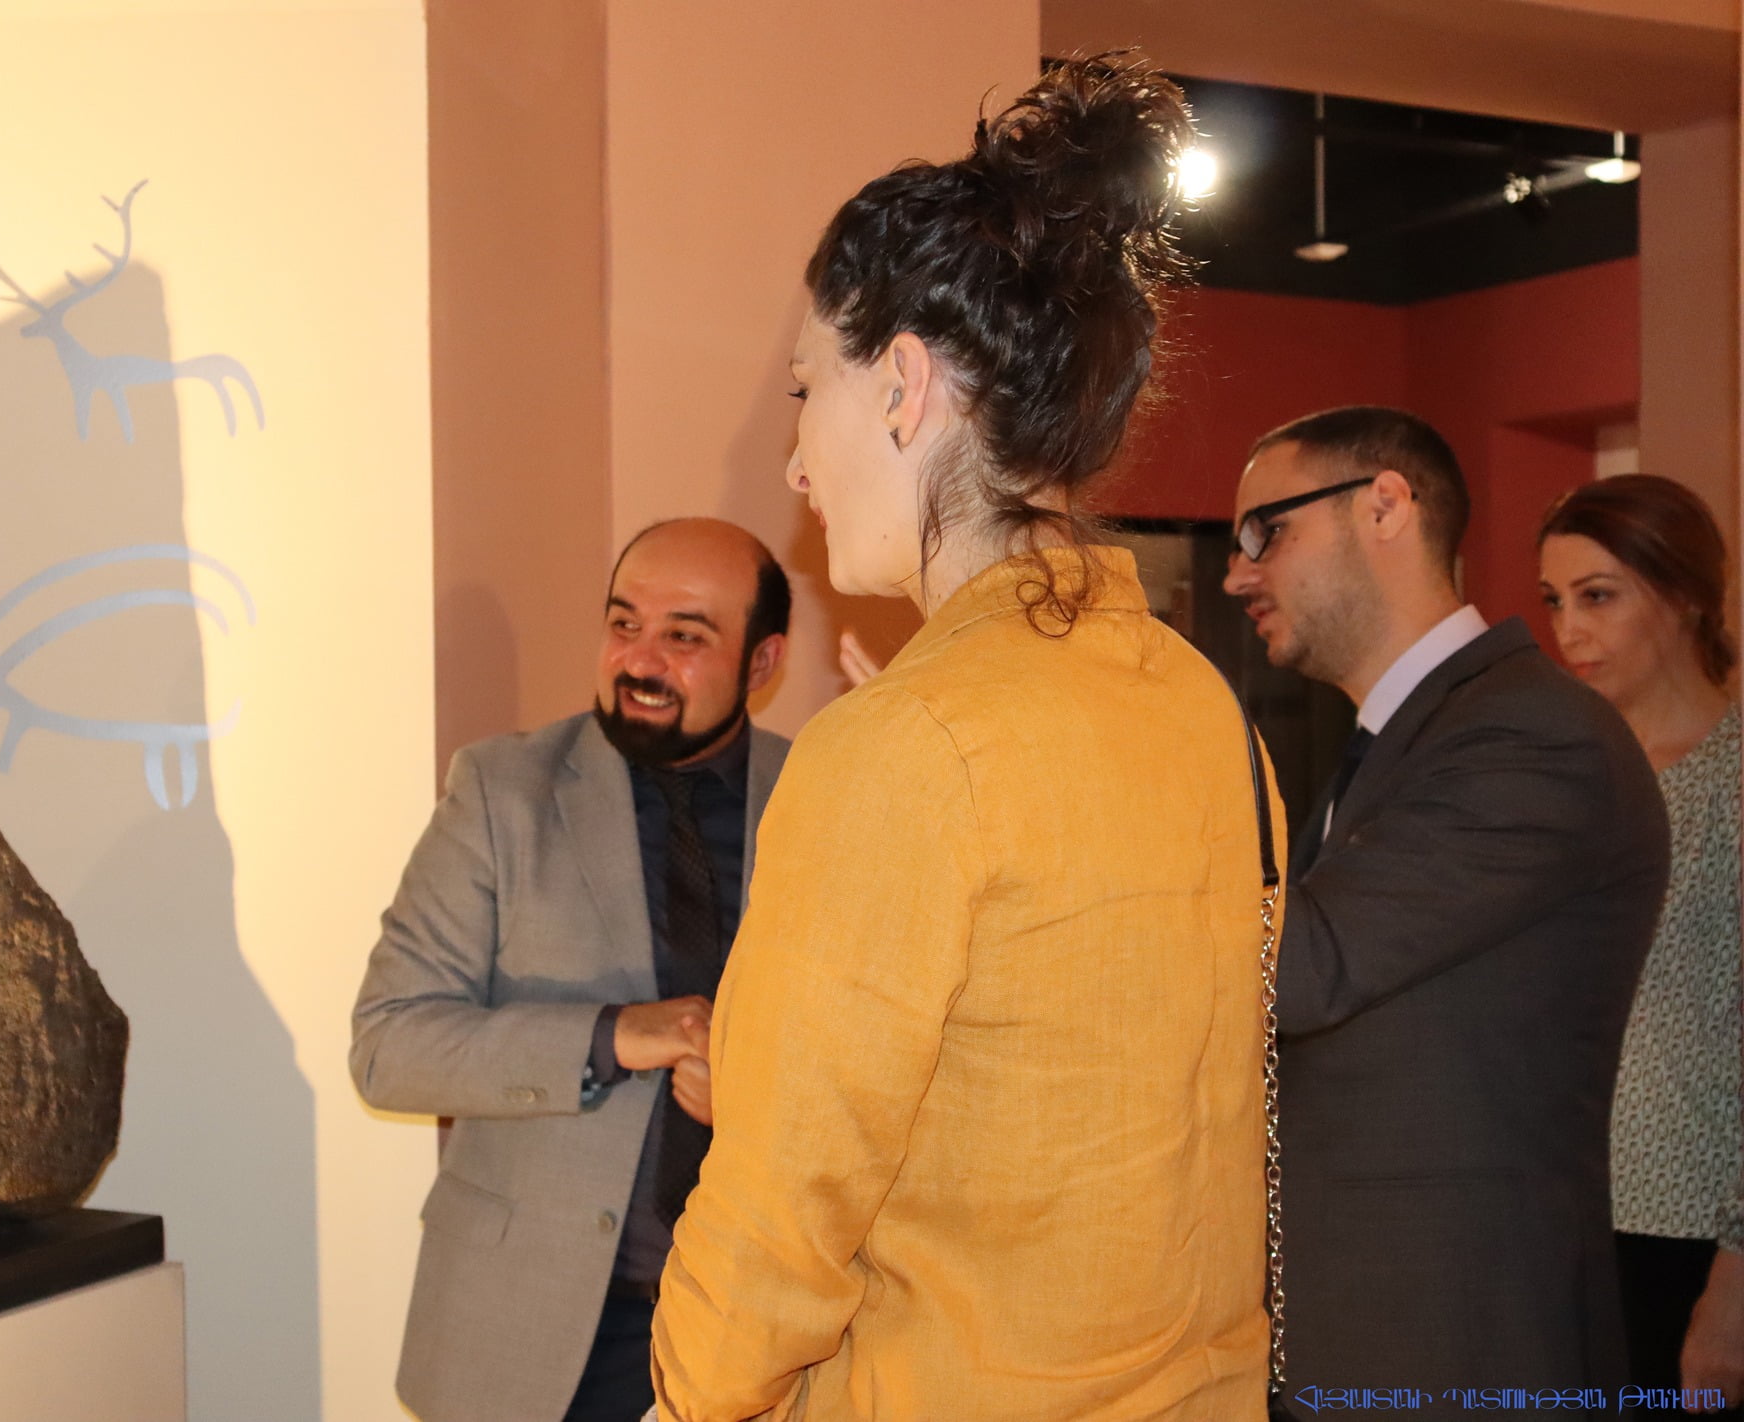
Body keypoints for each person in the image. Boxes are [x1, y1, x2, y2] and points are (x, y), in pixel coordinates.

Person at [649, 56, 1275, 1421]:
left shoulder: (905, 747)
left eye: (806, 391)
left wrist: (685, 1397)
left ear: (903, 386)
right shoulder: (1196, 703)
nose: (795, 462)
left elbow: (778, 1215)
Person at [1221, 406, 1668, 1413]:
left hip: (1460, 1350)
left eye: (1265, 533)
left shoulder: (1532, 735)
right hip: (1374, 1339)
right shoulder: (1404, 740)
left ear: (1384, 506)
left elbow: (1299, 968)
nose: (1237, 575)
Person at [350, 517, 791, 1422]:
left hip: (761, 1333)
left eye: (684, 636)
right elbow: (389, 1045)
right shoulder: (501, 792)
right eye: (623, 623)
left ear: (763, 661)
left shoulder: (822, 799)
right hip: (538, 1337)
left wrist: (759, 1095)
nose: (640, 660)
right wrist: (611, 1036)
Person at [1539, 475, 1743, 1412]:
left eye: (1598, 596)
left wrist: (1735, 1281)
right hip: (1563, 1213)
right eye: (1554, 601)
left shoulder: (1731, 782)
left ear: (1686, 594)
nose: (1569, 629)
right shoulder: (1573, 779)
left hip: (1692, 1234)